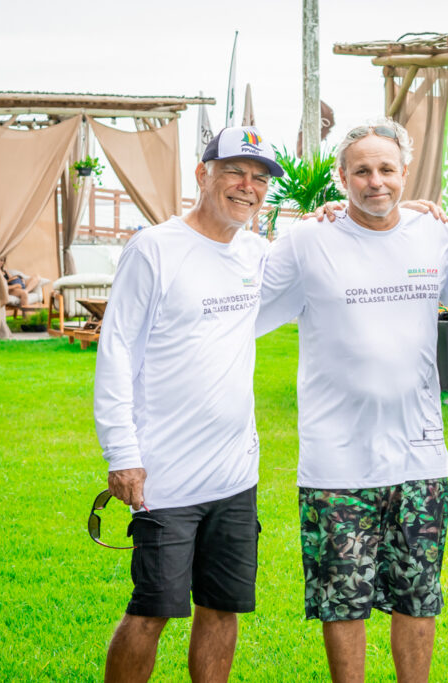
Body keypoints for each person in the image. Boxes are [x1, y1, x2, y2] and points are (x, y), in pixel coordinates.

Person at [255, 119, 448, 683]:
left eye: (387, 169)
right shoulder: (308, 241)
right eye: (361, 170)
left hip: (420, 457)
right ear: (341, 178)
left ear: (406, 173)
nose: (375, 182)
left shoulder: (435, 236)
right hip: (337, 463)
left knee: (418, 597)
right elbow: (240, 306)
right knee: (343, 601)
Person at [94, 125, 284, 683]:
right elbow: (116, 352)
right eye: (234, 172)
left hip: (234, 477)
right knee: (151, 610)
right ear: (203, 175)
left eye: (258, 178)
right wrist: (122, 452)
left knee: (222, 609)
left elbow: (320, 262)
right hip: (164, 479)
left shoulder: (256, 252)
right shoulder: (155, 248)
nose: (247, 186)